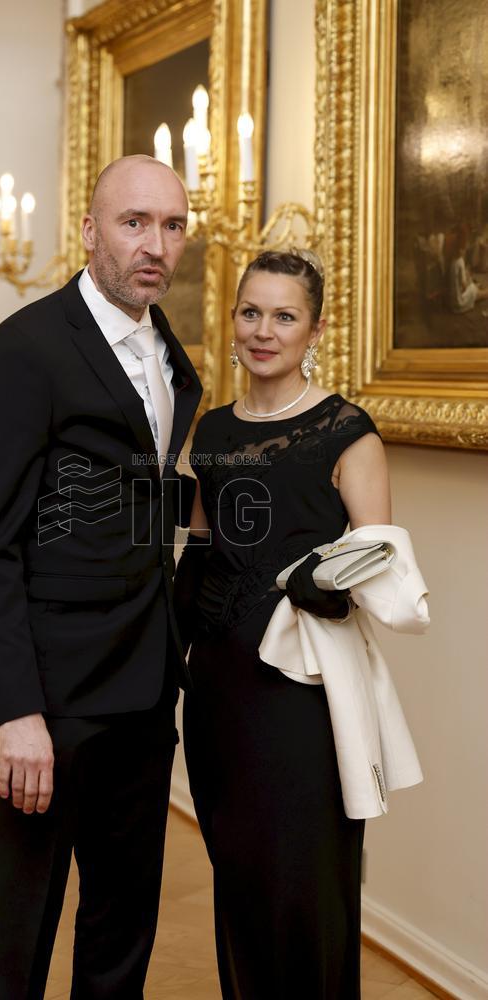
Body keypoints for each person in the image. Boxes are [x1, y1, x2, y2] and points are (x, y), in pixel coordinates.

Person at [0, 154, 202, 1000]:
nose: (155, 244)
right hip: (49, 698)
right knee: (20, 925)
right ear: (91, 230)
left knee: (122, 923)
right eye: (135, 222)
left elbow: (126, 497)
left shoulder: (171, 354)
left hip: (143, 690)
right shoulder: (22, 350)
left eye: (173, 225)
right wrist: (16, 711)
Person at [175, 248, 391, 999]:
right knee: (239, 885)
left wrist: (315, 583)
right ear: (234, 319)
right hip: (217, 697)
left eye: (284, 316)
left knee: (307, 894)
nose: (264, 330)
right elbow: (197, 565)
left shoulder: (347, 432)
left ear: (315, 328)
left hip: (305, 700)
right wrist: (159, 667)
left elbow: (376, 569)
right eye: (251, 312)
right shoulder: (210, 432)